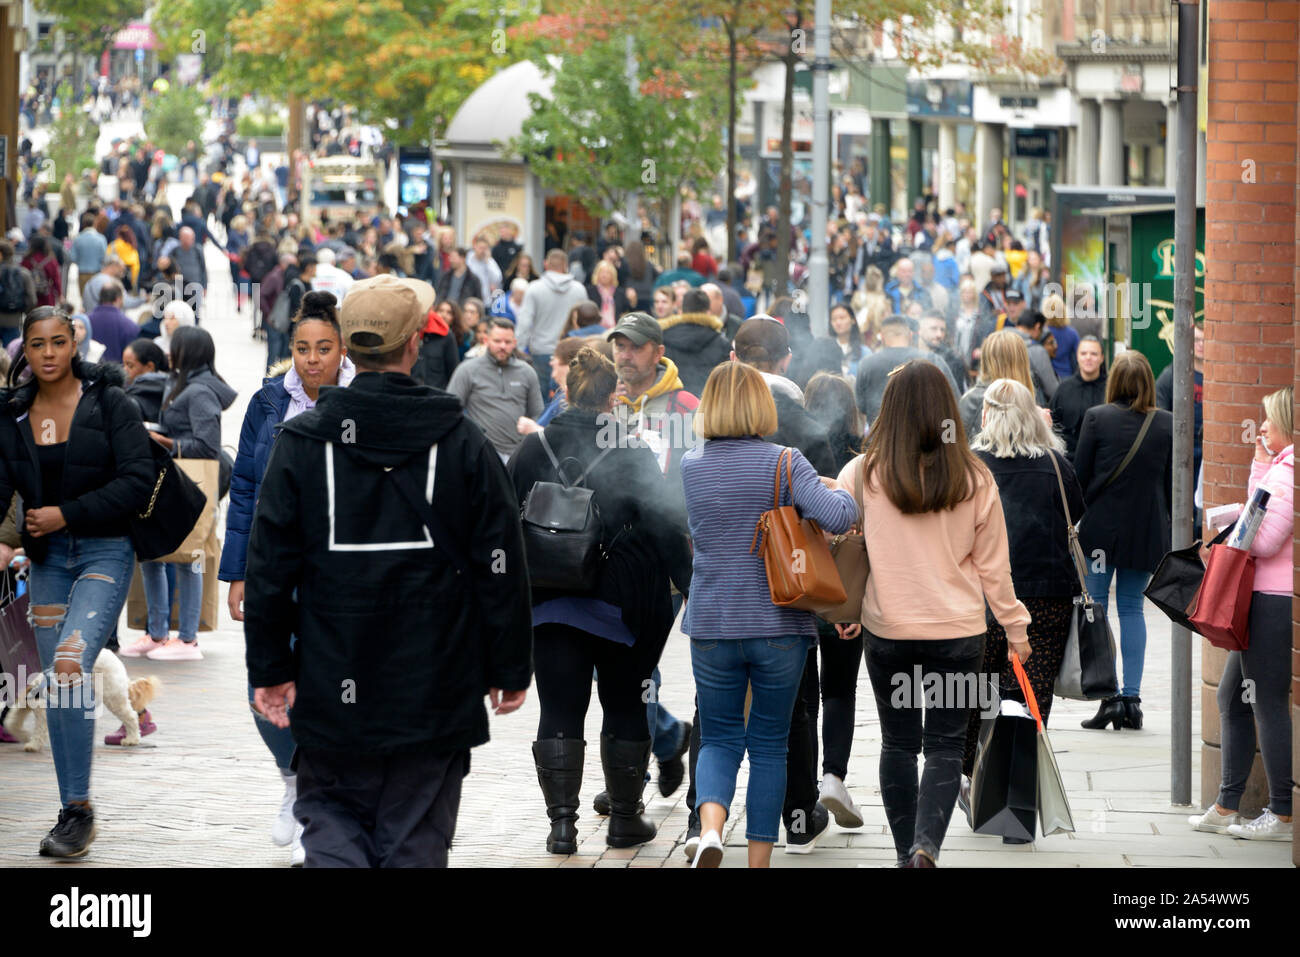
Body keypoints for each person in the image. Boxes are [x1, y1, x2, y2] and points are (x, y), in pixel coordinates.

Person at [243, 273, 533, 868]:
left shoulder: (302, 441)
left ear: (346, 349)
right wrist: (509, 665)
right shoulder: (462, 440)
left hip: (332, 677)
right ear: (413, 346)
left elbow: (269, 565)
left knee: (334, 831)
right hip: (433, 684)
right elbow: (500, 562)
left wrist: (270, 668)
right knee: (415, 841)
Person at [837, 360, 1030, 866]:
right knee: (944, 746)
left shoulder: (862, 474)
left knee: (897, 744)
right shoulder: (974, 477)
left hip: (888, 630)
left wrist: (843, 605)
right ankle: (927, 847)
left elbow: (836, 541)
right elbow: (995, 569)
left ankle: (905, 854)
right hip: (958, 634)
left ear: (890, 411)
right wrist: (1015, 627)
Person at [508, 346, 692, 854]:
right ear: (613, 396)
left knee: (560, 708)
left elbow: (500, 526)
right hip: (622, 605)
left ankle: (562, 826)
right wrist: (694, 585)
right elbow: (664, 524)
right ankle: (625, 820)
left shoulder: (531, 448)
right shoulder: (630, 450)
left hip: (549, 603)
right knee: (627, 704)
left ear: (565, 390)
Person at [680, 362, 857, 867]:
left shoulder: (692, 465)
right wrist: (835, 488)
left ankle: (711, 828)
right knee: (770, 744)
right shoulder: (785, 461)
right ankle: (759, 860)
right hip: (778, 625)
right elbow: (840, 516)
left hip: (712, 620)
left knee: (717, 736)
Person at [0, 305, 154, 857]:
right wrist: (6, 540)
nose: (47, 353)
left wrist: (68, 513)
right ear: (25, 349)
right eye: (36, 343)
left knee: (70, 664)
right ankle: (75, 811)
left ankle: (76, 810)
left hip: (105, 551)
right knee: (58, 680)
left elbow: (138, 480)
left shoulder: (111, 403)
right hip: (47, 562)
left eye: (58, 341)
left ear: (74, 345)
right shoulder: (13, 415)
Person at [220, 291, 355, 866]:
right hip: (275, 565)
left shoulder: (361, 400)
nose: (312, 360)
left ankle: (320, 810)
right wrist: (237, 571)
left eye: (323, 348)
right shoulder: (269, 401)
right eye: (302, 349)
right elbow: (246, 486)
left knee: (329, 686)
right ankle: (292, 779)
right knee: (266, 684)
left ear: (342, 349)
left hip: (341, 569)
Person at [959, 378, 1085, 841]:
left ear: (987, 414)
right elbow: (1076, 516)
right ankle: (1016, 815)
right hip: (1047, 597)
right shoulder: (1055, 464)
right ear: (1033, 414)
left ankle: (979, 787)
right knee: (1029, 700)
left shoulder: (971, 467)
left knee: (980, 693)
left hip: (985, 598)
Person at [1189, 386, 1294, 842]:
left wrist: (1236, 529)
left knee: (1267, 703)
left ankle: (1282, 812)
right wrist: (1256, 468)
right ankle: (1228, 802)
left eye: (1268, 419)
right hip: (1259, 597)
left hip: (1271, 600)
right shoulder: (1277, 468)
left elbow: (1267, 539)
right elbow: (1259, 512)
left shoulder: (1290, 472)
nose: (1262, 426)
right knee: (1232, 698)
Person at [122, 326, 237, 663]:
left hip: (191, 483)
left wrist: (165, 442)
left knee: (190, 558)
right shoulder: (180, 382)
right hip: (171, 480)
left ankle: (187, 639)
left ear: (190, 352)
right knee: (153, 554)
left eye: (176, 348)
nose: (169, 353)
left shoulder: (200, 391)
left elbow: (208, 446)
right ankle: (157, 632)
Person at [1073, 350, 1172, 731]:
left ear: (1114, 381)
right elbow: (1169, 485)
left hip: (1100, 533)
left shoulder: (1096, 419)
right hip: (1145, 532)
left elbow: (1079, 478)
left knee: (1096, 607)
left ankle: (1107, 696)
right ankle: (1132, 700)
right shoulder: (1166, 424)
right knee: (1131, 609)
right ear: (1148, 382)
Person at [446, 318, 543, 463]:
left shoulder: (527, 372)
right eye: (497, 341)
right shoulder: (467, 370)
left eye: (508, 342)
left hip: (518, 454)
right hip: (482, 453)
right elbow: (450, 410)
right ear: (486, 341)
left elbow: (538, 414)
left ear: (514, 343)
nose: (502, 346)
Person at [854, 314, 955, 423]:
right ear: (910, 336)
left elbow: (861, 406)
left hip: (879, 437)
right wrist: (948, 438)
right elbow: (952, 401)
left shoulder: (866, 364)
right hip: (923, 437)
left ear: (882, 337)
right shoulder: (932, 360)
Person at [516, 249, 592, 395]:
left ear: (546, 264)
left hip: (541, 350)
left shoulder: (534, 288)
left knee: (540, 396)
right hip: (571, 350)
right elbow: (585, 321)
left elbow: (524, 322)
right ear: (566, 265)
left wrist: (519, 348)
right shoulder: (579, 290)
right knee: (569, 395)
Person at [959, 328, 1040, 442]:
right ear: (1021, 363)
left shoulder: (970, 399)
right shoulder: (1027, 397)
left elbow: (955, 443)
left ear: (986, 360)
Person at [657, 288, 730, 396]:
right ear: (707, 312)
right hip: (706, 404)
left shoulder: (662, 338)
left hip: (671, 405)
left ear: (681, 310)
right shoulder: (721, 342)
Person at [1155, 322, 1204, 480]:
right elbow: (1159, 412)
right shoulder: (1173, 375)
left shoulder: (1221, 377)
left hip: (1209, 451)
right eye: (1196, 340)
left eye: (1205, 340)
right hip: (1182, 452)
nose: (1201, 345)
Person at [1050, 335, 1107, 460]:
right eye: (1083, 353)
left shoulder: (1111, 388)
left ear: (1102, 358)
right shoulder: (1063, 389)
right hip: (1069, 460)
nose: (1088, 358)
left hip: (1102, 460)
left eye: (1094, 354)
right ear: (1077, 357)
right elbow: (1052, 426)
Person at [410, 292, 462, 391]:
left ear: (431, 310)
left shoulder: (446, 335)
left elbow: (453, 371)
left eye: (424, 311)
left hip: (437, 396)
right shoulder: (407, 332)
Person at [86, 281, 140, 363]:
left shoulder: (84, 322)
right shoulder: (130, 326)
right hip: (117, 372)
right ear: (118, 299)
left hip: (89, 371)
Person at [122, 337, 169, 422]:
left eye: (130, 365)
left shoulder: (141, 396)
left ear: (149, 367)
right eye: (124, 365)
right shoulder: (169, 388)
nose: (124, 370)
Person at [0, 238, 37, 346]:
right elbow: (32, 300)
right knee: (11, 354)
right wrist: (21, 310)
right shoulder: (23, 273)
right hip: (14, 319)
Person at [586, 260, 632, 327]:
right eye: (602, 272)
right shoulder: (590, 291)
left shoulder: (620, 292)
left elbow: (626, 310)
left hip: (615, 328)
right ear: (597, 274)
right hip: (595, 328)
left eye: (608, 273)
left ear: (613, 275)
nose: (604, 275)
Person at [828, 303, 870, 377]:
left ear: (853, 320)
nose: (838, 322)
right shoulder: (826, 350)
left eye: (842, 318)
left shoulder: (864, 352)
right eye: (834, 319)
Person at [22, 235, 62, 309]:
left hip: (31, 294)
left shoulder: (26, 259)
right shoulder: (51, 260)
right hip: (47, 295)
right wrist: (60, 294)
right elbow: (56, 279)